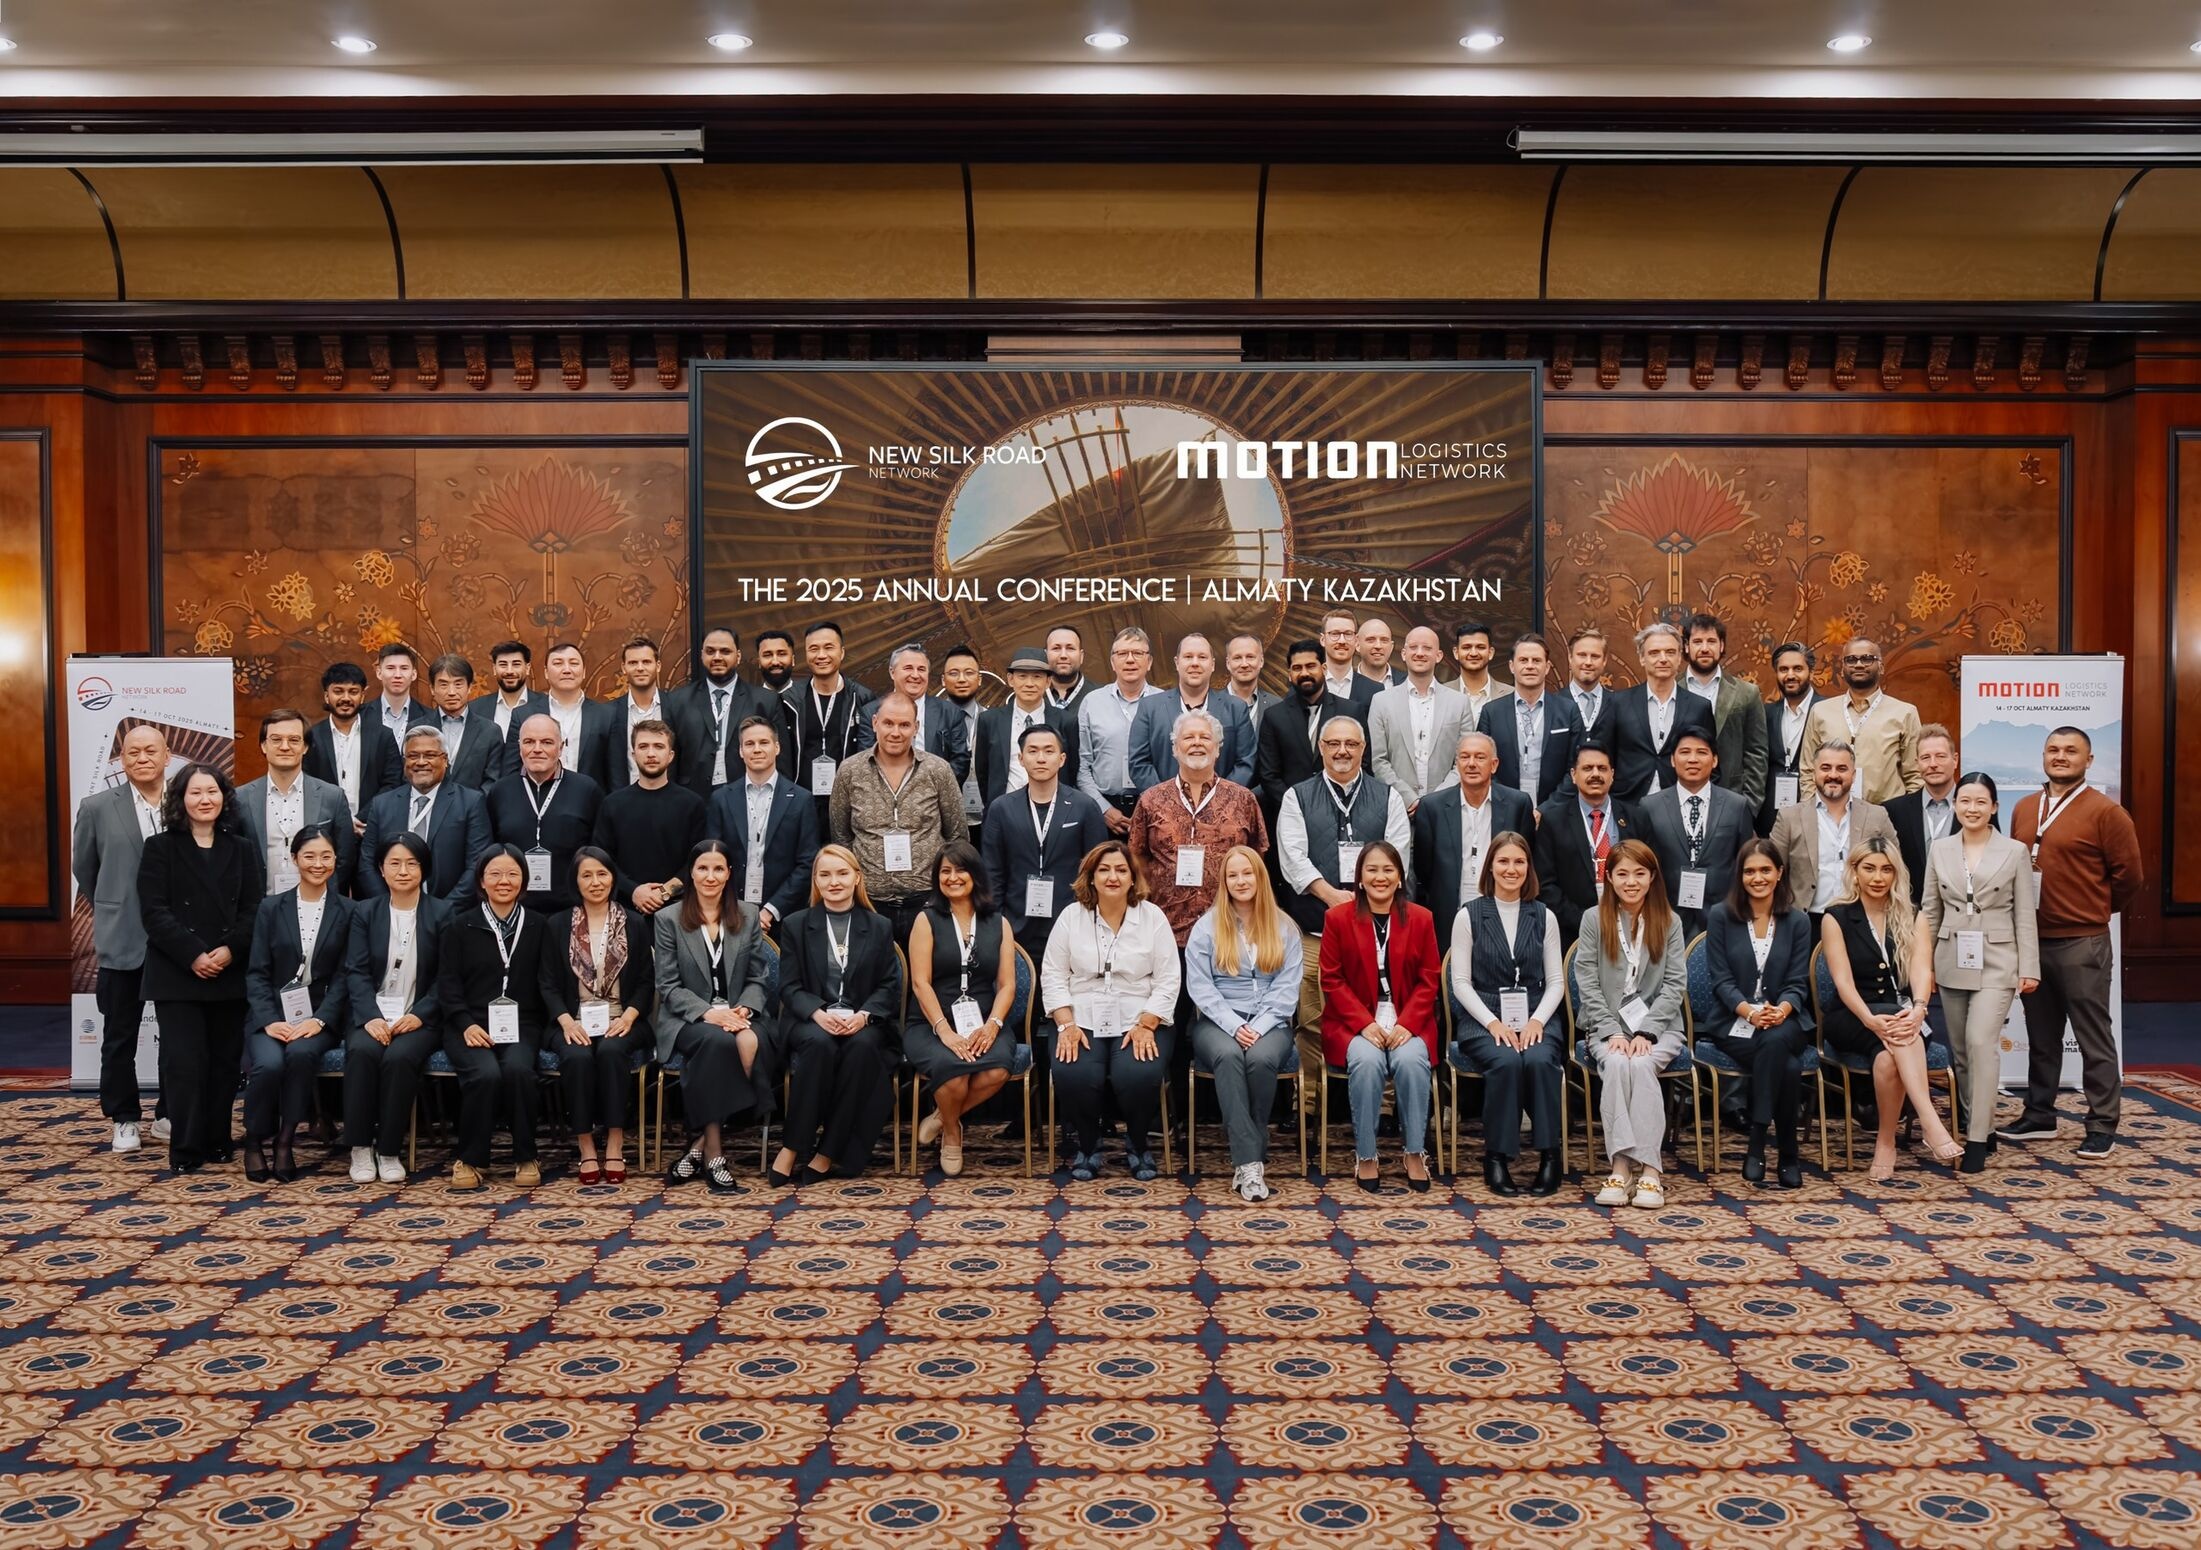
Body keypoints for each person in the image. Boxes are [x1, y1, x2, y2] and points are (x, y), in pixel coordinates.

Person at [2001, 728, 2144, 1163]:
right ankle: (2039, 1114)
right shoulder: (2025, 807)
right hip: (2033, 941)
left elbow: (2129, 878)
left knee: (2092, 1036)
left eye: (2070, 750)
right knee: (2041, 1036)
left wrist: (2093, 909)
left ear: (2089, 760)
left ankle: (2101, 1125)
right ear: (2043, 756)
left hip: (2083, 942)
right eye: (2053, 749)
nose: (2060, 756)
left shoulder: (2107, 813)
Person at [137, 763, 263, 1172]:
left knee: (225, 1063)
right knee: (185, 1063)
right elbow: (154, 912)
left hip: (229, 971)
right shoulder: (160, 847)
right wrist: (193, 953)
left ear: (224, 798)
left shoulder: (241, 847)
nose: (205, 799)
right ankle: (187, 1147)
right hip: (178, 973)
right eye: (195, 792)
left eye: (212, 791)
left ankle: (218, 1138)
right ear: (181, 799)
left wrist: (229, 950)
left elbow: (254, 908)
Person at [1914, 773, 2038, 1171]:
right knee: (1963, 1052)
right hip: (1951, 958)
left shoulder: (2014, 851)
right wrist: (1923, 967)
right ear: (1955, 806)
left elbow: (2025, 914)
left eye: (1981, 802)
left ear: (1994, 807)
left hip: (1998, 959)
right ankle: (1974, 1119)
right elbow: (1929, 910)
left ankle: (1978, 1139)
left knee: (1982, 1042)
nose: (1972, 808)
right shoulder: (1940, 849)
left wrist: (2029, 966)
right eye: (1964, 801)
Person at [1822, 840, 1963, 1180]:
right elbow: (1843, 983)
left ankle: (1886, 1143)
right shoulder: (1836, 916)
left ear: (1896, 874)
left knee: (1889, 1057)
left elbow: (1921, 971)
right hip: (1852, 1016)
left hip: (1904, 1016)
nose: (1878, 878)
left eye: (1886, 869)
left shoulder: (1913, 915)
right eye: (1869, 868)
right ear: (1854, 872)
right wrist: (1869, 1019)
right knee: (1900, 1031)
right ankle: (1929, 1120)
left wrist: (1919, 1010)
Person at [1042, 840, 1181, 1181]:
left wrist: (1148, 1023)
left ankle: (1138, 1143)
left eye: (1121, 870)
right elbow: (1053, 974)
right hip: (1080, 1017)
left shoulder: (1153, 917)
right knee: (1074, 1073)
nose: (1112, 877)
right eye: (1103, 870)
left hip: (1140, 1017)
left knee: (1138, 1075)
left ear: (1133, 878)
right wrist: (1066, 1024)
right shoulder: (1071, 917)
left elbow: (1168, 977)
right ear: (1091, 877)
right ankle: (1089, 1145)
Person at [771, 844, 905, 1184]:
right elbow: (789, 986)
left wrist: (863, 1016)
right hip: (811, 1020)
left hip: (863, 1021)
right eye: (825, 875)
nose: (834, 882)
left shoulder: (878, 925)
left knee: (863, 1048)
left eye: (842, 873)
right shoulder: (796, 924)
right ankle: (792, 1146)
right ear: (815, 881)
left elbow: (889, 985)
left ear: (857, 877)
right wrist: (817, 1013)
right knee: (820, 1045)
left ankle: (828, 1151)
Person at [1448, 831, 1566, 1197]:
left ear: (1529, 868)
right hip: (1483, 1018)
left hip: (1536, 1014)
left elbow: (1556, 981)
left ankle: (1550, 1156)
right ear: (1490, 867)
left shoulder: (1544, 915)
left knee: (1540, 1060)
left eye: (1519, 862)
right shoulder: (1468, 915)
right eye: (1503, 861)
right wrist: (1493, 1022)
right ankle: (1496, 1157)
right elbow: (1460, 982)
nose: (1511, 869)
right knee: (1507, 1061)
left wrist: (1537, 1021)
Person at [74, 722, 173, 1152]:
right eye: (133, 752)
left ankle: (169, 1113)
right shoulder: (97, 807)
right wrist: (115, 905)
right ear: (122, 759)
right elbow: (86, 869)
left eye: (151, 750)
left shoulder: (187, 801)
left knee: (178, 1035)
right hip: (121, 937)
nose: (142, 758)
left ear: (167, 756)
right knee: (119, 1036)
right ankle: (124, 1117)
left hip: (176, 941)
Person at [1320, 842, 1441, 1193]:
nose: (1380, 877)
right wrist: (1364, 1023)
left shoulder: (1421, 918)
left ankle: (1414, 1152)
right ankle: (1366, 1154)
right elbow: (1332, 979)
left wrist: (1407, 1023)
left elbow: (1429, 979)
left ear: (1400, 877)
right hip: (1354, 1022)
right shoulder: (1337, 919)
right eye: (1371, 870)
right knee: (1368, 1061)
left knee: (1411, 1060)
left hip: (1407, 1020)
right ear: (1359, 877)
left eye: (1388, 870)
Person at [654, 839, 773, 1194]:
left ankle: (697, 1146)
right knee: (719, 1043)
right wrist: (709, 1013)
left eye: (718, 868)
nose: (710, 876)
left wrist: (744, 1008)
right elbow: (668, 985)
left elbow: (759, 976)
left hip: (738, 1013)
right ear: (691, 873)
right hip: (687, 1018)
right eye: (702, 868)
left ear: (729, 873)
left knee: (750, 1041)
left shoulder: (748, 915)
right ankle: (715, 1155)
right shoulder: (668, 919)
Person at [1573, 839, 1687, 1209]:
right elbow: (1587, 981)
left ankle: (1650, 1171)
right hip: (1606, 1026)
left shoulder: (1670, 921)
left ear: (1652, 877)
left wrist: (1647, 1030)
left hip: (1661, 1027)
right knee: (1619, 1062)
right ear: (1609, 878)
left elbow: (1675, 984)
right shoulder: (1594, 919)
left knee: (1640, 1064)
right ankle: (1621, 1168)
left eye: (1639, 873)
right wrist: (1611, 1030)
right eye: (1622, 874)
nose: (1631, 882)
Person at [1185, 846, 1303, 1202]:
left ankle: (1248, 1149)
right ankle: (1250, 1161)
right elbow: (1200, 987)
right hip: (1217, 1022)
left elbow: (1287, 987)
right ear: (1224, 881)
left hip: (1271, 1022)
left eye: (1247, 873)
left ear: (1260, 877)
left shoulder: (1285, 927)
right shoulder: (1206, 927)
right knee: (1229, 1056)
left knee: (1262, 1058)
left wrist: (1260, 1025)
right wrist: (1234, 1026)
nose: (1240, 881)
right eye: (1232, 875)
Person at [1278, 715, 1411, 1028]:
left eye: (1351, 743)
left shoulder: (1388, 796)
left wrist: (1364, 900)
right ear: (1321, 747)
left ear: (1363, 748)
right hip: (1315, 930)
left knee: (1371, 1014)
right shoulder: (1296, 796)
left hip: (1376, 931)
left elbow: (1397, 858)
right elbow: (1292, 858)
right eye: (1334, 743)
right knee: (1313, 1018)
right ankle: (1313, 1065)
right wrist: (1331, 896)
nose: (1342, 750)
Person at [241, 824, 356, 1182]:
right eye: (309, 856)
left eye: (326, 856)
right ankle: (254, 1139)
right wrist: (268, 1019)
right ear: (294, 859)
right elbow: (257, 972)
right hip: (272, 1014)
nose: (318, 864)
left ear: (336, 861)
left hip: (319, 1017)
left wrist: (320, 1020)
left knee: (302, 1055)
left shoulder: (350, 911)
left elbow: (346, 976)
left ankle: (286, 1140)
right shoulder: (271, 908)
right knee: (269, 1064)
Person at [1702, 838, 1816, 1188]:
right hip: (1734, 1021)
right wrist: (1750, 1014)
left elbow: (1798, 982)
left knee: (1776, 1040)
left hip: (1786, 1020)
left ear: (1779, 873)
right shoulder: (1721, 916)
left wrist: (1781, 1010)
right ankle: (1787, 1154)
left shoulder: (1798, 921)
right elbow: (1721, 981)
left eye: (1765, 870)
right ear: (1740, 876)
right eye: (1749, 871)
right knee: (1788, 1066)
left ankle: (1757, 1140)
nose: (1758, 878)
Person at [438, 845, 550, 1190]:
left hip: (522, 1023)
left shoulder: (539, 925)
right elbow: (448, 985)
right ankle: (470, 1159)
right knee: (484, 1074)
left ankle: (526, 1155)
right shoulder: (459, 925)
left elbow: (547, 982)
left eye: (513, 874)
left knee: (518, 1070)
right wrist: (465, 1023)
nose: (504, 881)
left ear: (524, 881)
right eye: (495, 874)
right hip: (467, 1023)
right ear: (481, 881)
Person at [541, 847, 653, 1187]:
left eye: (602, 874)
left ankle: (615, 1141)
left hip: (623, 1017)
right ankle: (586, 1145)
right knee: (576, 1056)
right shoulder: (557, 924)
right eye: (586, 875)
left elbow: (646, 981)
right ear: (575, 881)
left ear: (613, 878)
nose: (595, 882)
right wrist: (566, 1021)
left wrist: (629, 1017)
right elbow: (547, 982)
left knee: (611, 1051)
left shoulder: (633, 922)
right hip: (572, 1019)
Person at [905, 843, 1017, 1177]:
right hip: (930, 1021)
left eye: (960, 870)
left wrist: (993, 1025)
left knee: (998, 1069)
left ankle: (942, 1117)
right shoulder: (926, 920)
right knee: (951, 1069)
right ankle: (953, 1132)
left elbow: (1007, 985)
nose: (952, 878)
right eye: (945, 871)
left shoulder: (998, 922)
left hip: (983, 1021)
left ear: (975, 875)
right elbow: (920, 983)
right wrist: (945, 1031)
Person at [341, 831, 447, 1185]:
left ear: (424, 869)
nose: (403, 871)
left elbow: (447, 978)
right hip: (372, 1015)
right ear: (381, 869)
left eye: (412, 864)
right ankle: (359, 1147)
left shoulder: (443, 913)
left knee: (400, 1058)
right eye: (395, 864)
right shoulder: (365, 912)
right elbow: (355, 971)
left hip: (420, 1018)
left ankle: (388, 1150)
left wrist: (420, 1015)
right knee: (362, 1052)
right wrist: (370, 1017)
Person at [829, 691, 969, 945]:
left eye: (904, 725)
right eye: (888, 723)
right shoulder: (850, 771)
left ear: (916, 727)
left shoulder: (938, 770)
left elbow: (957, 836)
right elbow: (841, 837)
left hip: (927, 901)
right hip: (869, 903)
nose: (895, 732)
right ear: (874, 723)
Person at [1129, 710, 1270, 948]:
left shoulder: (1243, 800)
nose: (1197, 743)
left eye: (1205, 737)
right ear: (1175, 748)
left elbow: (1257, 857)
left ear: (1218, 748)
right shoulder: (1150, 800)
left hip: (1229, 930)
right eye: (1188, 737)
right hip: (1165, 931)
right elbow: (1136, 858)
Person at [981, 723, 1104, 958]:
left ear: (1062, 759)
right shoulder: (1001, 808)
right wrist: (997, 923)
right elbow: (992, 872)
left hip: (1071, 921)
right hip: (1015, 923)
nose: (1041, 758)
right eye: (1033, 751)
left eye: (1049, 751)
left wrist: (1090, 918)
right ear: (1021, 758)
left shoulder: (1085, 807)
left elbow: (1096, 870)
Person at [704, 714, 820, 940]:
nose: (756, 749)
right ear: (741, 751)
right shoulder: (721, 799)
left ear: (777, 747)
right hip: (731, 913)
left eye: (763, 742)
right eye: (749, 744)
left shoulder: (801, 799)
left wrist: (770, 910)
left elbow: (808, 863)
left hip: (783, 916)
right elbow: (713, 860)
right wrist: (734, 908)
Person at [1636, 728, 1756, 935]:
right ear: (1672, 760)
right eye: (1685, 752)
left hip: (1724, 917)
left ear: (1715, 760)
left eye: (1701, 752)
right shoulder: (1649, 806)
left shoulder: (1736, 805)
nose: (1693, 759)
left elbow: (1746, 863)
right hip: (1666, 916)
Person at [1414, 730, 1535, 932]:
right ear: (1457, 764)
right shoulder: (1432, 807)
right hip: (1448, 915)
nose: (1471, 764)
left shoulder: (1518, 804)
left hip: (1505, 913)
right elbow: (1424, 869)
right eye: (1464, 757)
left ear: (1494, 765)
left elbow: (1528, 861)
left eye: (1480, 757)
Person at [357, 726, 491, 906]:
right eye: (413, 756)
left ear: (445, 760)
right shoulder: (382, 804)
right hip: (392, 911)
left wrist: (443, 910)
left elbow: (477, 864)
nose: (421, 762)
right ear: (404, 761)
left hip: (450, 913)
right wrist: (390, 906)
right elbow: (367, 863)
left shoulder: (470, 803)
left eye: (429, 755)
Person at [485, 713, 606, 913]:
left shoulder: (587, 790)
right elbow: (491, 850)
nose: (537, 749)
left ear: (561, 747)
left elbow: (599, 851)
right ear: (520, 747)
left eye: (547, 742)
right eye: (529, 742)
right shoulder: (500, 791)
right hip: (514, 908)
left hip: (572, 908)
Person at [1766, 741, 1898, 920]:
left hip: (1862, 920)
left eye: (1842, 769)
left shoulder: (1877, 816)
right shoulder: (1789, 817)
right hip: (1806, 921)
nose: (1833, 775)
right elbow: (1772, 871)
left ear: (1853, 775)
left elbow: (1897, 869)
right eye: (1825, 768)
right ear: (1814, 773)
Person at [235, 707, 356, 897]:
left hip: (318, 904)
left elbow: (345, 858)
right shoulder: (240, 798)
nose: (285, 747)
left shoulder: (332, 796)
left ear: (305, 747)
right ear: (263, 746)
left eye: (294, 740)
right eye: (276, 739)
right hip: (260, 906)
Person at [591, 718, 707, 915]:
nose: (651, 753)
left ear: (670, 755)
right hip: (624, 910)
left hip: (678, 912)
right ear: (633, 754)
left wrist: (665, 892)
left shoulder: (692, 804)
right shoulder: (612, 804)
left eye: (658, 746)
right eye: (643, 746)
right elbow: (602, 859)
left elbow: (699, 860)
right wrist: (634, 891)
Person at [1532, 742, 1641, 947]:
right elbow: (1545, 884)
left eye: (1602, 768)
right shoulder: (1553, 821)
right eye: (1588, 768)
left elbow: (1649, 873)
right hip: (1572, 934)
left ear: (1612, 775)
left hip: (1631, 929)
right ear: (1574, 775)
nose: (1595, 774)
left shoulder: (1636, 817)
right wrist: (1585, 921)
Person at [1801, 637, 1922, 804]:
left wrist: (1906, 814)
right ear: (1842, 669)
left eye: (1867, 659)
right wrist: (1812, 810)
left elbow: (1915, 775)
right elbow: (1808, 770)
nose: (1858, 665)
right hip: (1831, 812)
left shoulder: (1905, 713)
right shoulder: (1820, 711)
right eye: (1851, 660)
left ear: (1881, 667)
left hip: (1885, 813)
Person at [669, 627, 785, 797]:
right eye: (710, 651)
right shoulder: (678, 701)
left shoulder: (765, 701)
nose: (717, 657)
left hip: (749, 797)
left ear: (738, 656)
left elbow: (781, 760)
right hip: (692, 798)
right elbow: (670, 758)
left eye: (725, 651)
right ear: (702, 655)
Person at [1129, 632, 1256, 789]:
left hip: (1223, 803)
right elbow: (1139, 763)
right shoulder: (1150, 708)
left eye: (1202, 657)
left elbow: (1246, 763)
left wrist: (1219, 798)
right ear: (1177, 663)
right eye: (1188, 657)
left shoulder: (1235, 708)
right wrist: (1166, 798)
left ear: (1212, 664)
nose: (1195, 663)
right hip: (1162, 802)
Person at [1255, 638, 1363, 822]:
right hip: (1290, 816)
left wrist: (1340, 804)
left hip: (1343, 813)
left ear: (1324, 668)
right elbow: (1268, 774)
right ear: (1289, 674)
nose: (1304, 673)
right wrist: (1296, 807)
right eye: (1297, 668)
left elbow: (1362, 765)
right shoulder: (1274, 716)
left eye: (1310, 666)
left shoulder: (1350, 711)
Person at [1612, 622, 1718, 803]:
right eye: (1654, 653)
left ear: (1679, 657)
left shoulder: (1699, 707)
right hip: (1628, 803)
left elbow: (1710, 764)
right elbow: (1606, 756)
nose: (1663, 659)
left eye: (1670, 652)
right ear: (1642, 658)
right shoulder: (1618, 703)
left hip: (1679, 806)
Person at [1368, 625, 1470, 810]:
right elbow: (1378, 760)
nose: (1420, 653)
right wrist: (1408, 798)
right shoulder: (1381, 701)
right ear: (1404, 653)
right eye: (1414, 647)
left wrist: (1436, 800)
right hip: (1397, 807)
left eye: (1427, 648)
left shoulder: (1459, 703)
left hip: (1446, 806)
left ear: (1438, 656)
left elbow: (1464, 759)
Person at [785, 620, 878, 822]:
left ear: (841, 652)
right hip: (801, 802)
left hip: (849, 803)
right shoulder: (790, 700)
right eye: (813, 649)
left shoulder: (862, 698)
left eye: (828, 647)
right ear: (806, 654)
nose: (821, 655)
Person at [1077, 625, 1166, 831]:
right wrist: (1103, 809)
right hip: (1104, 809)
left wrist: (1157, 804)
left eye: (1138, 653)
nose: (1130, 660)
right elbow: (1082, 766)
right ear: (1112, 662)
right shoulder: (1092, 702)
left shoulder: (1165, 702)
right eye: (1122, 653)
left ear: (1149, 662)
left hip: (1156, 808)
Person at [1479, 632, 1582, 804]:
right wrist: (1509, 805)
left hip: (1555, 810)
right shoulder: (1491, 712)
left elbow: (1576, 766)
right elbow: (1484, 765)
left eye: (1536, 660)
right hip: (1503, 807)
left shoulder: (1568, 710)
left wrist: (1547, 809)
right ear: (1512, 666)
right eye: (1523, 660)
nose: (1530, 666)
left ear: (1547, 667)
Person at [1682, 613, 1769, 815]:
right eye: (1697, 641)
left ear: (1721, 646)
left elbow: (1757, 753)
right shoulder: (1672, 689)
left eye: (1711, 641)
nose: (1705, 648)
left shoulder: (1747, 693)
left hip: (1732, 800)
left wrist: (1749, 807)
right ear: (1686, 646)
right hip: (1679, 800)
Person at [976, 644, 1079, 809]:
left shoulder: (1066, 721)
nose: (1029, 684)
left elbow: (1072, 769)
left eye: (1037, 677)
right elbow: (982, 772)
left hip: (1054, 809)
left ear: (1048, 681)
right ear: (1011, 679)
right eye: (1022, 676)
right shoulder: (989, 720)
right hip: (1004, 809)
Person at [503, 641, 613, 787]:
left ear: (584, 672)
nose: (567, 670)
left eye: (573, 663)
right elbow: (510, 771)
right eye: (558, 663)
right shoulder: (522, 715)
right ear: (546, 673)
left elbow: (614, 770)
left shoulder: (606, 715)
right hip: (536, 796)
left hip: (590, 798)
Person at [305, 661, 402, 826]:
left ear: (362, 696)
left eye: (353, 692)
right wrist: (340, 821)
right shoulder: (312, 737)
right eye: (338, 691)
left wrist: (360, 819)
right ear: (326, 696)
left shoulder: (383, 736)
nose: (346, 698)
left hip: (370, 826)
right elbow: (307, 784)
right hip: (325, 828)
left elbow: (392, 784)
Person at [1885, 724, 1960, 907]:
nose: (1933, 764)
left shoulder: (1976, 809)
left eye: (1940, 756)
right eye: (1926, 757)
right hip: (1910, 912)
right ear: (1917, 762)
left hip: (1960, 913)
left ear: (1955, 760)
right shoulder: (1894, 811)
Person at [598, 636, 683, 792]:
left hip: (670, 799)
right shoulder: (607, 713)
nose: (640, 668)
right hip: (623, 799)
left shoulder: (678, 708)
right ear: (623, 668)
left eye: (646, 662)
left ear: (658, 666)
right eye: (633, 663)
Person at [1760, 642, 1826, 834]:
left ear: (1811, 672)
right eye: (1783, 669)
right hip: (1770, 817)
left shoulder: (1828, 711)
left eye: (1797, 669)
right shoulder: (1766, 713)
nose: (1790, 675)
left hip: (1816, 813)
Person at [887, 644, 973, 786]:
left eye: (921, 669)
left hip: (935, 795)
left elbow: (960, 762)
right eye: (908, 668)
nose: (915, 675)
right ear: (892, 672)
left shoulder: (950, 713)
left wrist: (930, 792)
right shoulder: (872, 711)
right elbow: (867, 762)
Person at [424, 654, 505, 790]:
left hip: (475, 803)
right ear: (432, 688)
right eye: (443, 685)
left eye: (458, 684)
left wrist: (471, 804)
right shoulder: (418, 728)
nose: (451, 692)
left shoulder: (490, 731)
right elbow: (410, 776)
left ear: (469, 687)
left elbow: (492, 782)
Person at [470, 639, 544, 778]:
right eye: (503, 665)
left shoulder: (545, 707)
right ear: (494, 669)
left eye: (516, 664)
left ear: (527, 668)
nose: (509, 671)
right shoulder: (475, 708)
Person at [939, 644, 989, 834]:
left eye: (969, 673)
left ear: (979, 679)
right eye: (954, 673)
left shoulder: (992, 720)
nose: (961, 679)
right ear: (943, 680)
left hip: (986, 818)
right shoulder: (929, 722)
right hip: (940, 818)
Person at [362, 641, 433, 744]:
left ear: (414, 674)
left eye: (404, 668)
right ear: (379, 673)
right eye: (390, 668)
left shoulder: (429, 717)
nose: (397, 675)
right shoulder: (361, 715)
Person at [1564, 627, 1619, 753]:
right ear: (1570, 658)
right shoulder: (1555, 704)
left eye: (1595, 656)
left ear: (1604, 661)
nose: (1588, 662)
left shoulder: (1618, 704)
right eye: (1582, 655)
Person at [1450, 620, 1512, 722]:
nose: (1473, 653)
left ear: (1490, 653)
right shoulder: (1439, 694)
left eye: (1480, 647)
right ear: (1456, 653)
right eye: (1466, 647)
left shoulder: (1511, 695)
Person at [1223, 633, 1279, 731]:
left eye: (1250, 657)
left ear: (1261, 661)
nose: (1244, 664)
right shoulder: (1210, 705)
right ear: (1228, 663)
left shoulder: (1277, 706)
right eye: (1237, 658)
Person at [1044, 623, 1095, 717]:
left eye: (1070, 648)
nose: (1063, 655)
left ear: (1081, 656)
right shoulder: (1030, 695)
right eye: (1056, 648)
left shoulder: (1100, 696)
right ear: (1045, 654)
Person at [1357, 617, 1408, 688]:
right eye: (1371, 640)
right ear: (1357, 645)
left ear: (1391, 647)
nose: (1378, 646)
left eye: (1384, 641)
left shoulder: (1408, 682)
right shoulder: (1345, 682)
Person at [754, 628, 799, 698]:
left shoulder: (808, 698)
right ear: (759, 662)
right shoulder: (748, 702)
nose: (775, 662)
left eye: (782, 654)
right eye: (767, 655)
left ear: (793, 660)